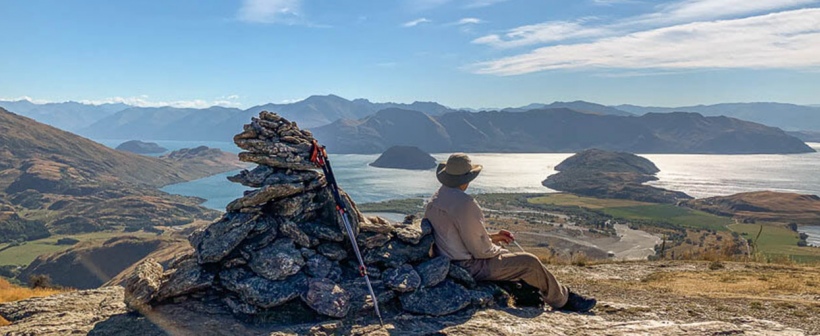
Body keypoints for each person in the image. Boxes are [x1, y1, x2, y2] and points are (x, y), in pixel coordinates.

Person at [423, 153, 597, 312]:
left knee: (511, 258)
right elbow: (481, 251)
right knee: (529, 262)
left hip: (448, 263)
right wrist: (498, 248)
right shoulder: (465, 203)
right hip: (468, 266)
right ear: (467, 179)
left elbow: (455, 236)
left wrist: (492, 237)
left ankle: (533, 293)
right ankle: (563, 300)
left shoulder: (436, 199)